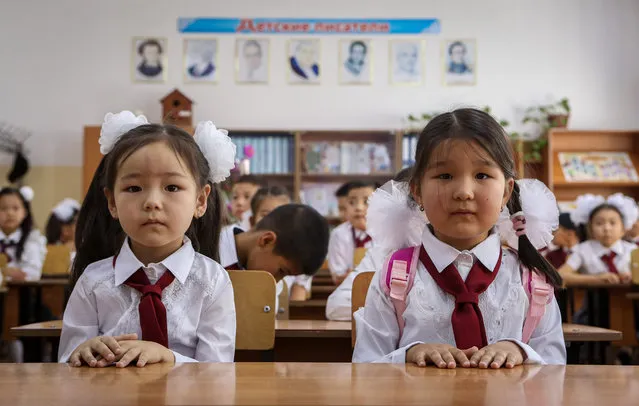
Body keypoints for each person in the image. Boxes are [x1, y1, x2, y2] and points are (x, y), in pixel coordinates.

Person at [353, 108, 566, 367]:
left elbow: (557, 371)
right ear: (417, 190)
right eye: (445, 176)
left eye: (482, 175)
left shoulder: (531, 280)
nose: (464, 192)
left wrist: (522, 352)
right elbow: (365, 365)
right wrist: (406, 355)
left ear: (507, 192)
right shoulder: (396, 276)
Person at [58, 111, 237, 366]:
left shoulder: (212, 282)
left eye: (172, 187)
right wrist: (82, 353)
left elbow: (218, 370)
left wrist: (170, 358)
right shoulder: (93, 282)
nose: (152, 202)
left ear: (200, 200)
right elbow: (65, 364)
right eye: (133, 188)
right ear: (112, 202)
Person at [326, 168, 418, 321]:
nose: (359, 208)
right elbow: (335, 306)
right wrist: (393, 306)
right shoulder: (382, 253)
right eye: (413, 203)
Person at [218, 204, 328, 281]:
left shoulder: (259, 282)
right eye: (281, 271)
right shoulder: (204, 247)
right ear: (266, 241)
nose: (275, 282)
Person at [558, 194, 637, 287]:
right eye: (599, 223)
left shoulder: (633, 250)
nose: (607, 228)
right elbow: (560, 276)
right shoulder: (582, 250)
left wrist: (633, 277)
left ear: (624, 229)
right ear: (590, 229)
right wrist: (596, 279)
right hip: (592, 300)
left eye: (613, 223)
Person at [249, 186, 312, 301]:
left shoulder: (299, 257)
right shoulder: (246, 251)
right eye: (265, 215)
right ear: (253, 221)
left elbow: (296, 303)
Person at [327, 181, 377, 285]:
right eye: (352, 203)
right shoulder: (339, 234)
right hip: (349, 291)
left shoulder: (387, 233)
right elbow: (338, 277)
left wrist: (353, 274)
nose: (358, 208)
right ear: (345, 208)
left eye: (366, 202)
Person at [0, 186, 47, 282]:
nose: (10, 213)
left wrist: (6, 274)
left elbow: (33, 273)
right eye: (3, 209)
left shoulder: (32, 239)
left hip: (22, 293)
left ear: (25, 212)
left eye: (15, 208)